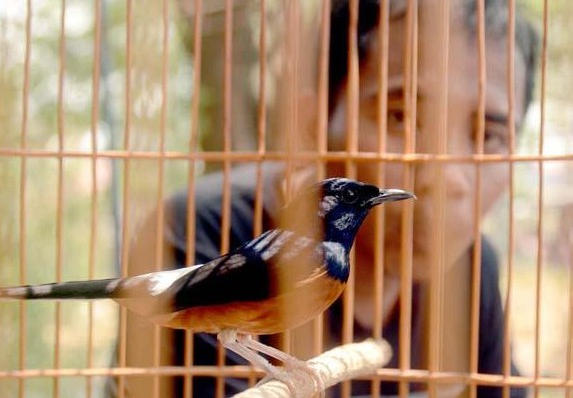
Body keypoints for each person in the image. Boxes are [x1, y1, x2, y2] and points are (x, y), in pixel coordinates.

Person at [123, 0, 539, 396]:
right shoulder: (204, 230)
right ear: (313, 126)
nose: (449, 178)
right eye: (403, 117)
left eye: (488, 135)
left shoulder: (470, 267)